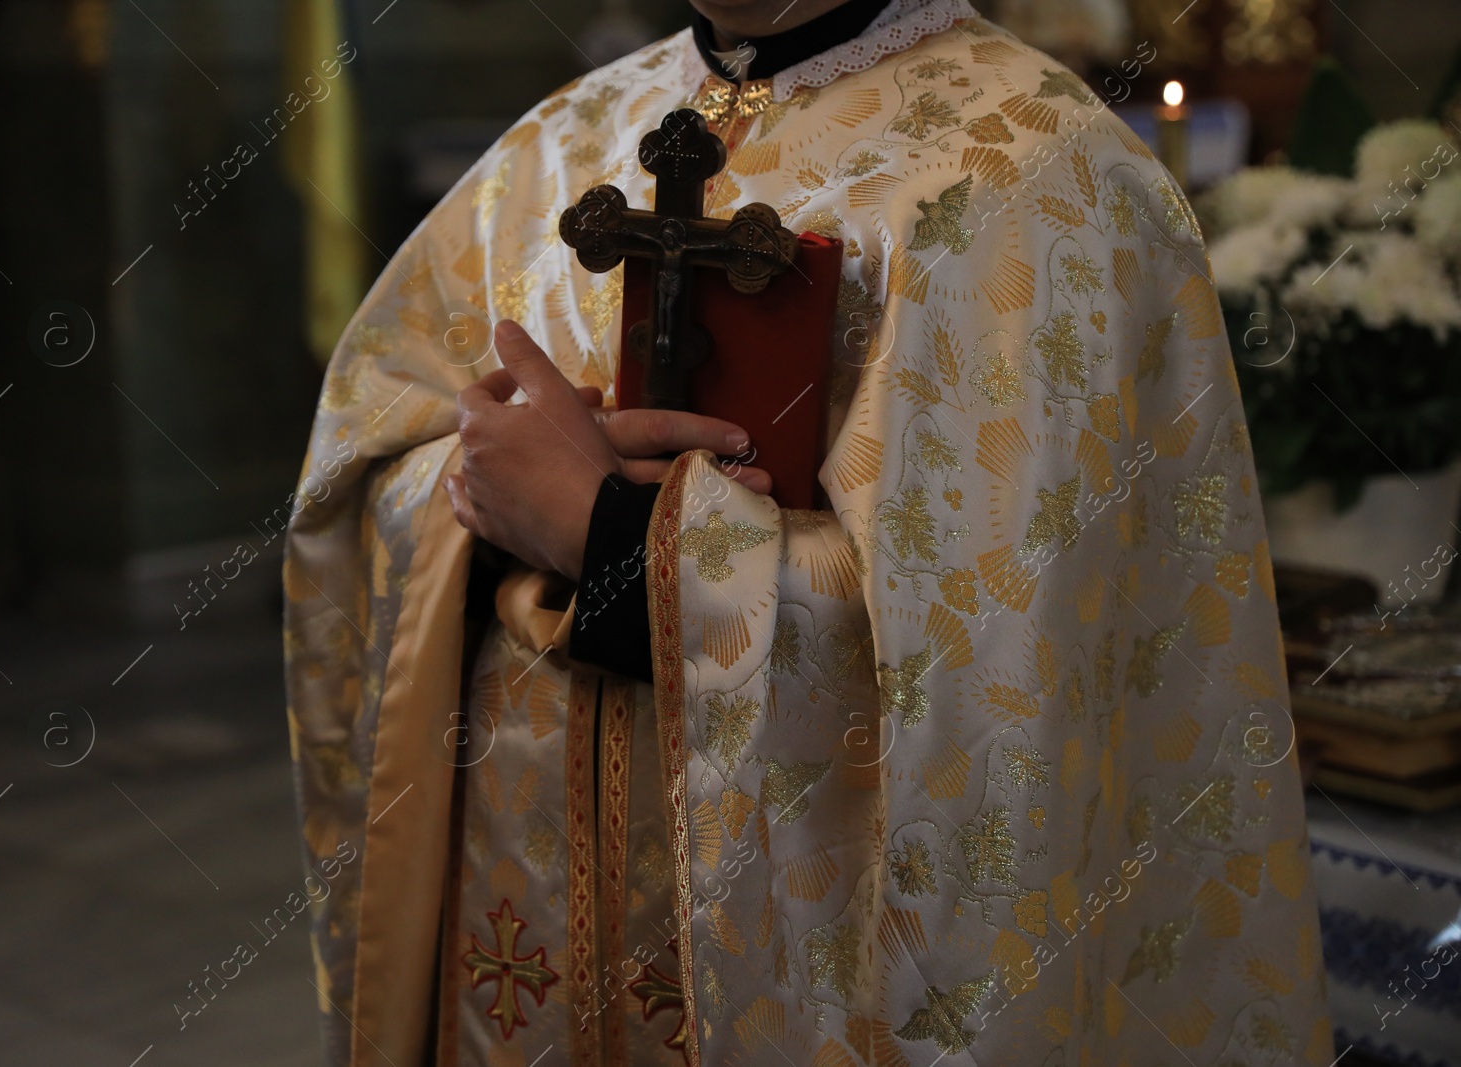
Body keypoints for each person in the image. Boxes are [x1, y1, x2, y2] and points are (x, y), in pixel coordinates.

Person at [284, 1, 1334, 1064]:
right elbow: (368, 463)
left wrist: (609, 536)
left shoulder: (1042, 174)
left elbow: (1001, 680)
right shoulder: (564, 137)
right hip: (519, 944)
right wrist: (476, 487)